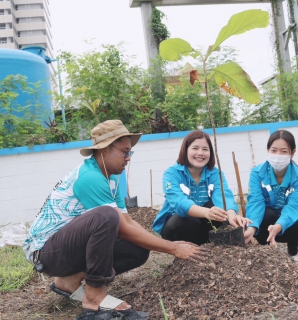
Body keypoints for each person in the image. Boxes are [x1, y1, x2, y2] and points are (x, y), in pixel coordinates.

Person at [23, 120, 207, 319]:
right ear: (103, 150)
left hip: (65, 247)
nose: (128, 158)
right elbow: (119, 226)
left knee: (137, 250)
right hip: (46, 252)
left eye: (130, 153)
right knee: (106, 215)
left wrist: (167, 244)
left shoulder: (110, 178)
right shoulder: (90, 177)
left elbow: (128, 223)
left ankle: (69, 281)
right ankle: (93, 296)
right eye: (124, 152)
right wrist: (172, 248)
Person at [152, 130, 251, 245]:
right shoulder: (172, 173)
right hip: (176, 227)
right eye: (195, 148)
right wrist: (207, 212)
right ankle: (188, 253)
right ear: (185, 150)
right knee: (187, 219)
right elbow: (179, 203)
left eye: (205, 149)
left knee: (218, 210)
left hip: (203, 228)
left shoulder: (215, 173)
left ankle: (212, 248)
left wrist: (231, 214)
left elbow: (222, 195)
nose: (200, 153)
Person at [243, 130, 298, 262]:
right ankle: (268, 250)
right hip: (266, 221)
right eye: (274, 150)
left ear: (293, 153)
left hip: (286, 222)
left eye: (284, 151)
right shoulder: (257, 173)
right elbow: (256, 201)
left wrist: (279, 226)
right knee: (266, 214)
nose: (278, 155)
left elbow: (293, 207)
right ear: (268, 150)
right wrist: (251, 228)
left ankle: (292, 251)